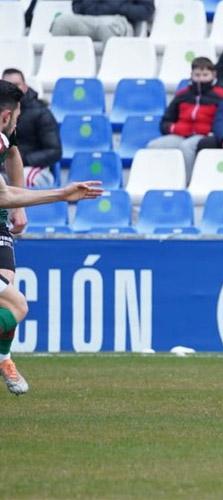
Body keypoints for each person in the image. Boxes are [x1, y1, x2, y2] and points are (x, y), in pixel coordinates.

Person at [0, 81, 103, 395]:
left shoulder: (4, 139)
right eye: (17, 114)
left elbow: (11, 162)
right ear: (6, 116)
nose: (19, 119)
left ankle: (3, 358)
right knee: (15, 305)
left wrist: (19, 210)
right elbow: (3, 195)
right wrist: (63, 194)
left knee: (9, 294)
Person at [147, 57, 223, 179]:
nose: (201, 79)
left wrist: (211, 132)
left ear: (213, 75)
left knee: (187, 147)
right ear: (191, 75)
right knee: (153, 146)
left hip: (204, 135)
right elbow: (166, 121)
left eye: (205, 75)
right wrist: (173, 128)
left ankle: (187, 181)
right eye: (197, 75)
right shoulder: (182, 95)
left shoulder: (221, 95)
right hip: (180, 134)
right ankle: (157, 180)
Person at [1, 68, 62, 188]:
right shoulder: (1, 111)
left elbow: (54, 151)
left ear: (25, 86)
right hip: (4, 168)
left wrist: (25, 159)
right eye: (7, 85)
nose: (12, 89)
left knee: (23, 180)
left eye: (16, 85)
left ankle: (20, 207)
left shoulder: (41, 112)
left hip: (35, 169)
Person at [49, 0, 155, 44]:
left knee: (107, 27)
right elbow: (76, 6)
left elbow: (147, 10)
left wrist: (120, 8)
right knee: (61, 22)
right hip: (89, 19)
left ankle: (111, 72)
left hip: (120, 20)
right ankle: (61, 71)